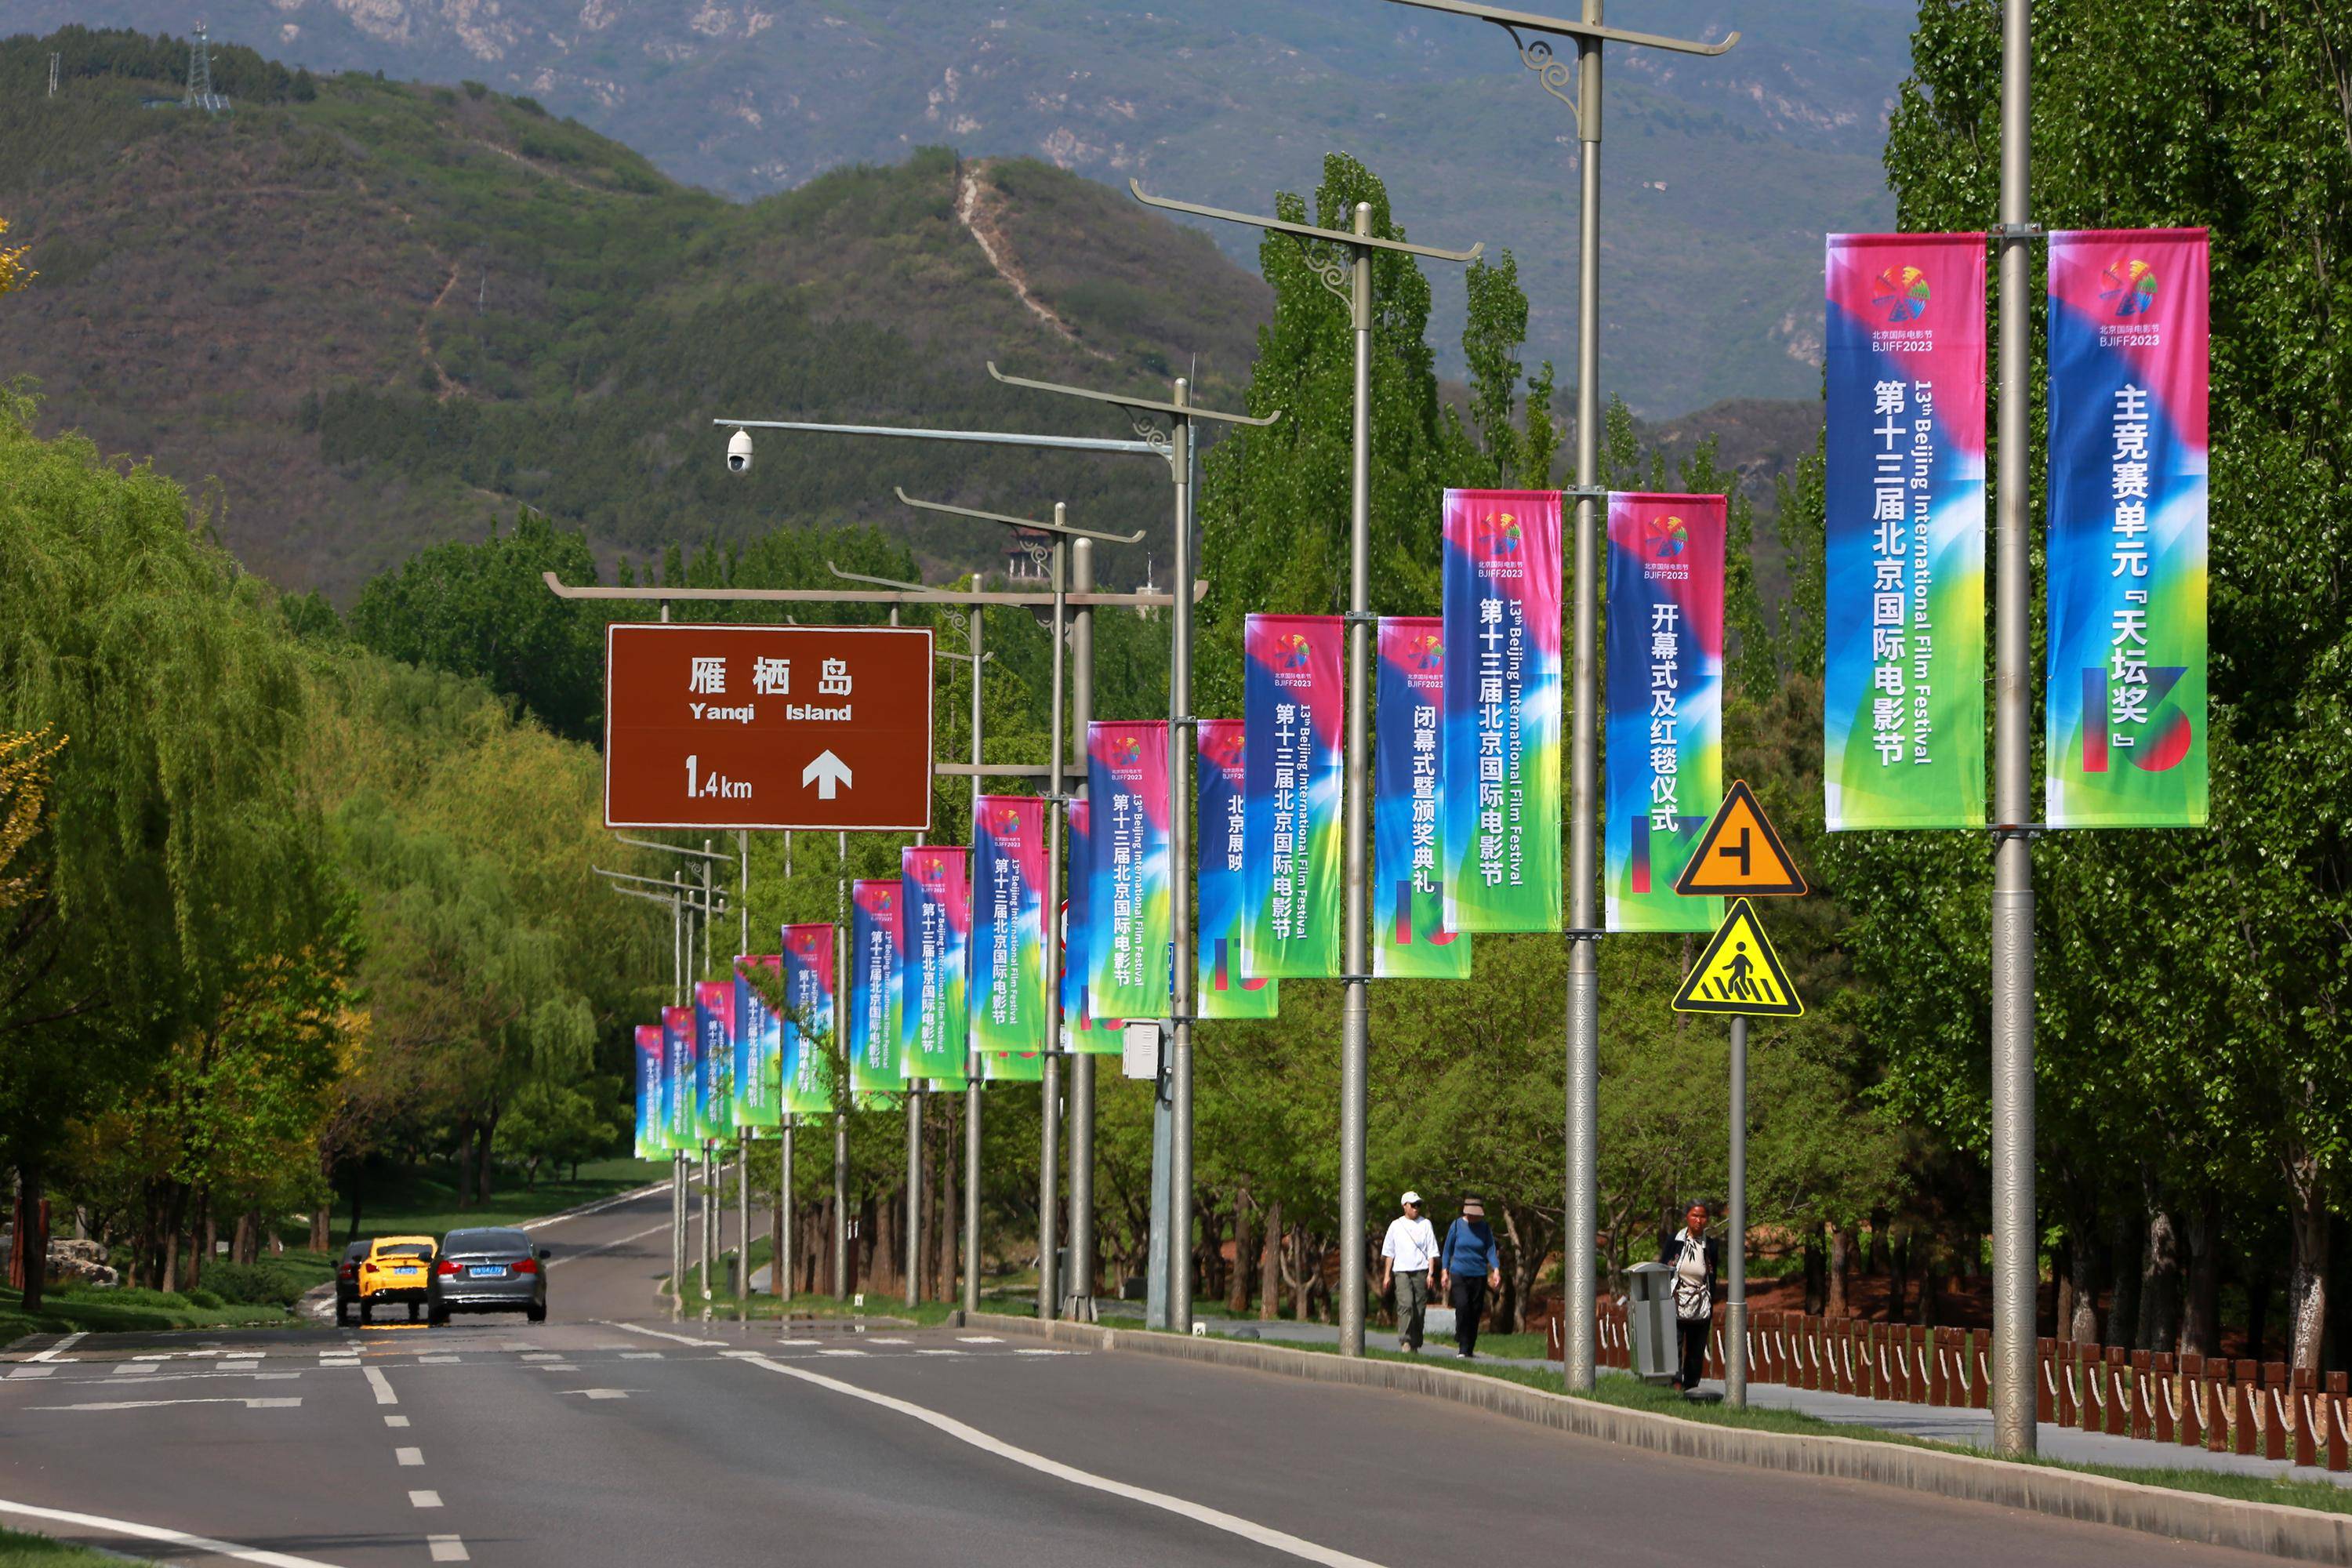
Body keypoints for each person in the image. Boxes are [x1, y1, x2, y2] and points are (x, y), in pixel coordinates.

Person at [1660, 1200, 1720, 1392]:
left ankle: (1691, 1386)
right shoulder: (1674, 1240)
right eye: (1695, 1216)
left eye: (1702, 1216)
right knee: (1674, 1344)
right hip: (1676, 1301)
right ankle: (1675, 1383)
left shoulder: (1710, 1245)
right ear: (1687, 1217)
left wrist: (1711, 1301)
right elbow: (1664, 1267)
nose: (1699, 1220)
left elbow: (1713, 1274)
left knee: (1696, 1348)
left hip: (1700, 1303)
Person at [1439, 1198, 1501, 1359]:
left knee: (1475, 1311)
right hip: (1459, 1272)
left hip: (1478, 1274)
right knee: (1462, 1305)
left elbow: (1490, 1250)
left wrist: (1496, 1269)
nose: (1475, 1218)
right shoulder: (1457, 1226)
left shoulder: (1484, 1228)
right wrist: (1445, 1271)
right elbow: (1447, 1251)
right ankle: (1461, 1339)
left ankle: (1469, 1348)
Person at [1380, 1192, 1439, 1352]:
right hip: (1401, 1272)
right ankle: (1405, 1340)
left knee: (1419, 1308)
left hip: (1420, 1271)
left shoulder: (1425, 1224)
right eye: (1413, 1205)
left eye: (1418, 1205)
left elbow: (1431, 1251)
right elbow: (1389, 1253)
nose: (1416, 1208)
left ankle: (1416, 1342)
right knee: (1405, 1304)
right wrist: (1387, 1276)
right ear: (1404, 1206)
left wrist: (1431, 1273)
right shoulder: (1396, 1225)